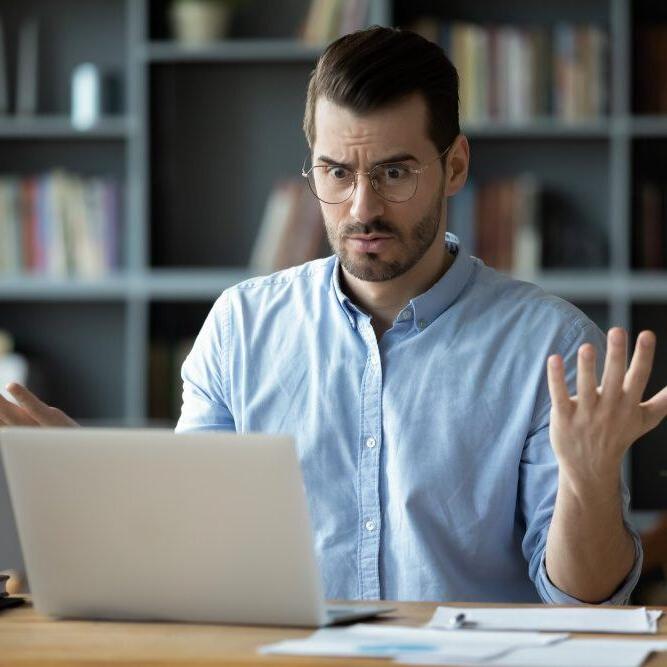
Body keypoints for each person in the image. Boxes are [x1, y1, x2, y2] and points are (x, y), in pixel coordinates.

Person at [2, 26, 666, 605]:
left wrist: (587, 478)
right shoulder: (240, 329)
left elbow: (586, 599)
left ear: (454, 164)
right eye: (336, 172)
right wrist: (82, 481)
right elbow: (193, 555)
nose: (360, 209)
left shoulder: (551, 346)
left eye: (394, 173)